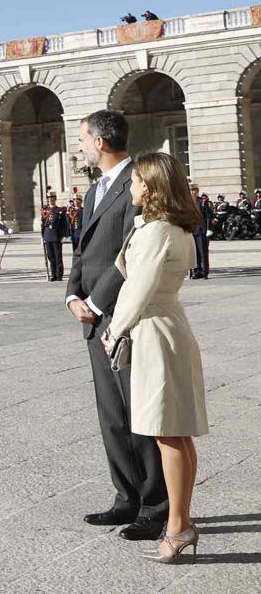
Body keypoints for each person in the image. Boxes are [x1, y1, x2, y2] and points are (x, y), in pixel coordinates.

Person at [66, 109, 167, 541]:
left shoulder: (135, 184)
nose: (82, 146)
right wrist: (72, 293)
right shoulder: (95, 190)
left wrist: (94, 299)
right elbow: (84, 249)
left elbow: (131, 252)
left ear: (101, 142)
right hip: (91, 315)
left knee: (137, 411)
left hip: (122, 314)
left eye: (84, 139)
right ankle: (125, 496)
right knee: (111, 413)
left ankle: (154, 505)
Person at [101, 153, 207, 563]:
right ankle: (182, 522)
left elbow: (137, 288)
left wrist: (114, 330)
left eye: (135, 181)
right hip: (168, 324)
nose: (130, 187)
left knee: (167, 431)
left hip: (154, 331)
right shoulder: (169, 226)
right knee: (175, 431)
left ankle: (178, 527)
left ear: (149, 186)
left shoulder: (156, 230)